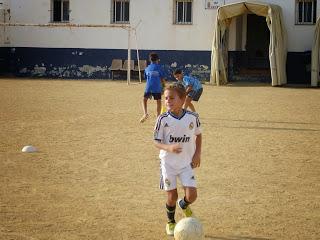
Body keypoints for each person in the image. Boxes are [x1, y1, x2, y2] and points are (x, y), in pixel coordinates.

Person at [153, 83, 202, 236]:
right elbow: (155, 141)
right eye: (166, 98)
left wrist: (197, 154)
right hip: (168, 164)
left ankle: (184, 204)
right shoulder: (162, 119)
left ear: (182, 100)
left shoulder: (192, 118)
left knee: (192, 195)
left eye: (172, 98)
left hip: (186, 163)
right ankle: (171, 222)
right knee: (171, 196)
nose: (167, 101)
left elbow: (199, 135)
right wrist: (169, 148)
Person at [140, 52, 166, 123]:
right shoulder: (160, 67)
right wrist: (163, 87)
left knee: (144, 99)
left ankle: (145, 114)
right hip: (157, 88)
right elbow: (162, 79)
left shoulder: (147, 68)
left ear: (150, 60)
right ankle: (158, 117)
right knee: (158, 101)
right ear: (158, 60)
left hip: (149, 87)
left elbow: (146, 78)